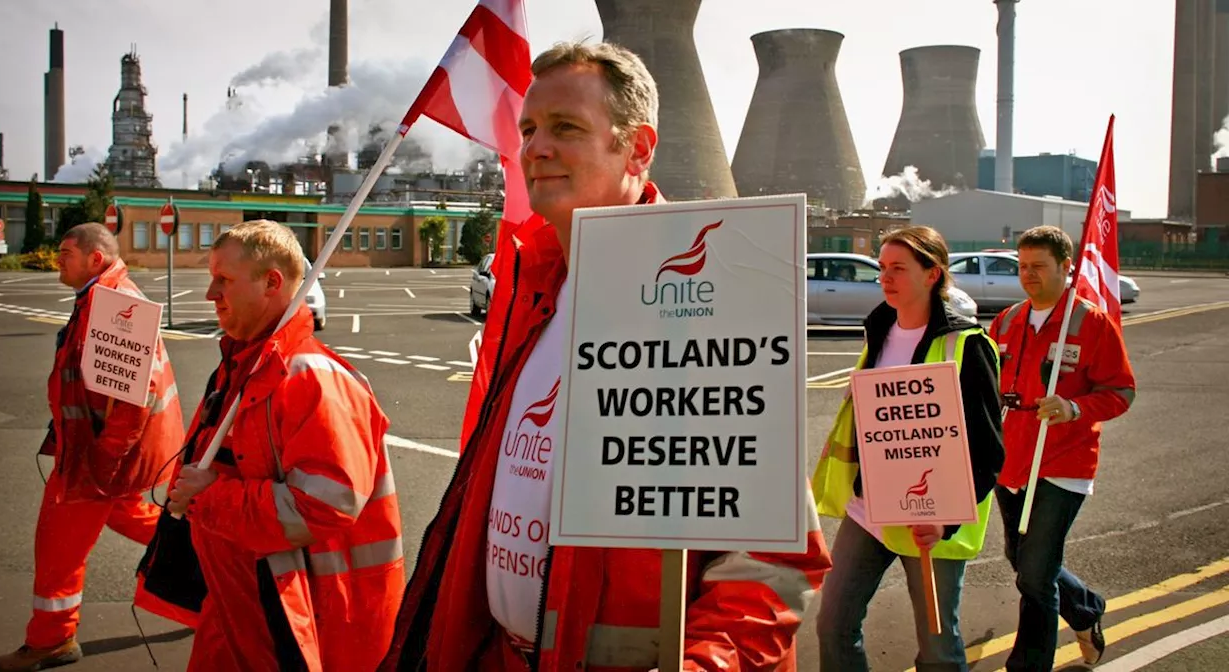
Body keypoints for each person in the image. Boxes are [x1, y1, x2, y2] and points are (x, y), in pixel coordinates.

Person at [379, 41, 833, 671]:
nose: (535, 148)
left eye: (566, 128)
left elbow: (773, 564)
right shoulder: (528, 288)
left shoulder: (709, 302)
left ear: (638, 148)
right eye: (530, 129)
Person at [163, 220, 405, 671]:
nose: (210, 294)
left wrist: (209, 497)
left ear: (272, 282)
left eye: (224, 280)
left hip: (303, 621)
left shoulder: (310, 378)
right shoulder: (242, 364)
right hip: (243, 607)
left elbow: (324, 504)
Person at [0, 223, 184, 671]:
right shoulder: (102, 298)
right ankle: (215, 565)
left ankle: (51, 639)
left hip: (97, 458)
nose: (58, 259)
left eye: (66, 252)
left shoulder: (117, 305)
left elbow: (134, 400)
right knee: (134, 516)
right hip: (99, 453)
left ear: (95, 258)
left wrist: (101, 462)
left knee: (57, 544)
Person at [812, 226, 1005, 672]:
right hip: (868, 509)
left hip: (929, 517)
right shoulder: (878, 327)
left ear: (932, 273)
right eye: (882, 268)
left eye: (898, 268)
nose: (886, 277)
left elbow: (988, 449)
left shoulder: (966, 344)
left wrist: (946, 519)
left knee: (937, 649)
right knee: (833, 625)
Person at [989, 226, 1136, 671]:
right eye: (1022, 267)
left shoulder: (1089, 322)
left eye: (1038, 267)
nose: (1028, 276)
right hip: (1012, 459)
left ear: (1066, 267)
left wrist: (1074, 406)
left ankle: (1029, 665)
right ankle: (1086, 607)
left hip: (1062, 463)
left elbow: (1121, 392)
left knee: (1034, 576)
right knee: (1022, 558)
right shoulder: (1009, 320)